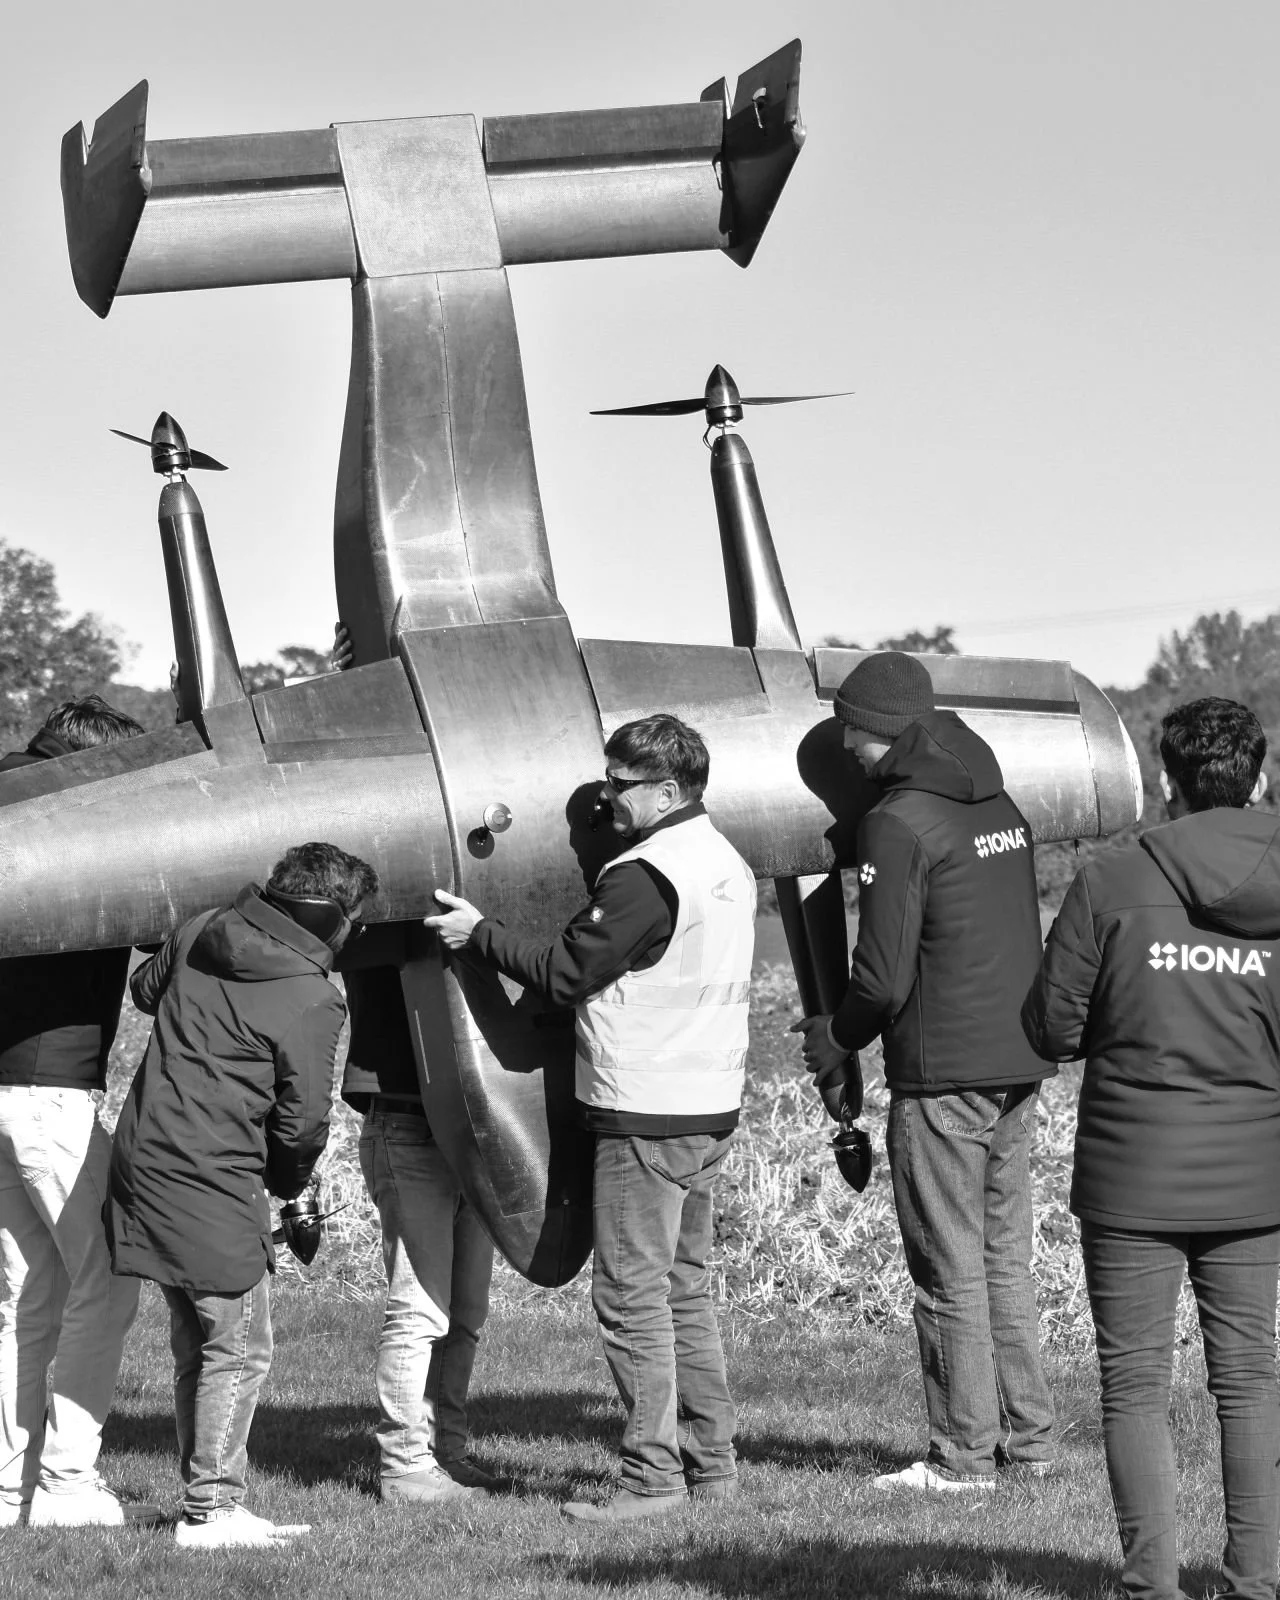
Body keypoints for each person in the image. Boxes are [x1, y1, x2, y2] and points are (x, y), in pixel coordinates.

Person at [425, 713, 755, 1524]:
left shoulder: (644, 875)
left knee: (632, 1299)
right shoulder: (725, 859)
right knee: (684, 1294)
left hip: (645, 1111)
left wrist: (477, 935)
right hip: (707, 1103)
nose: (609, 801)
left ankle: (651, 1480)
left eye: (622, 787)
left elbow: (565, 973)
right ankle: (712, 1468)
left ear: (669, 791)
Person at [1023, 697, 1280, 1600]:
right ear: (1260, 774)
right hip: (1255, 1175)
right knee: (1249, 1380)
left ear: (1167, 782)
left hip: (1132, 1171)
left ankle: (1151, 1586)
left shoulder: (1110, 878)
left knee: (1134, 1384)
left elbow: (1053, 1026)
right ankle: (1256, 1581)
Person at [793, 651, 1055, 1490]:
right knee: (1003, 1265)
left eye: (853, 734)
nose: (850, 750)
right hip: (1018, 1062)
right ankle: (1034, 1448)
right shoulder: (997, 798)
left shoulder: (898, 821)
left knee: (947, 1270)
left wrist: (837, 1037)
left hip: (943, 1076)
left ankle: (960, 1460)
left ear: (880, 731)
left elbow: (881, 976)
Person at [107, 841, 377, 1549]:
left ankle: (205, 1497)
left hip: (144, 1159)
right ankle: (213, 1511)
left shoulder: (200, 928)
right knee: (239, 1347)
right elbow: (303, 1121)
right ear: (330, 916)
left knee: (198, 1343)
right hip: (213, 1179)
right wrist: (290, 1187)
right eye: (356, 920)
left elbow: (143, 993)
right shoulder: (314, 997)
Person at [0, 694, 162, 1528]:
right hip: (48, 1091)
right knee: (105, 1286)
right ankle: (65, 1483)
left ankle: (7, 1486)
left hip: (8, 1095)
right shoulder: (77, 824)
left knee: (27, 1292)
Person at [340, 960, 499, 1505]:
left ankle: (445, 1453)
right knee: (419, 1309)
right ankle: (404, 1466)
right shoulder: (379, 926)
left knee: (466, 1313)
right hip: (405, 1126)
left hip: (474, 1128)